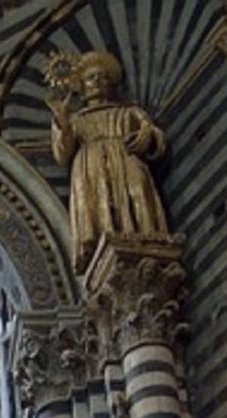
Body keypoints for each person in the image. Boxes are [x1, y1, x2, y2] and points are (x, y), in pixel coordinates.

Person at [47, 50, 170, 263]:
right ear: (82, 86)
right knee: (98, 200)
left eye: (103, 76)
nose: (98, 81)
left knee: (137, 190)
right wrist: (61, 119)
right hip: (90, 165)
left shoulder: (128, 111)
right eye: (91, 78)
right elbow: (62, 153)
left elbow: (150, 132)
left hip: (125, 155)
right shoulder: (76, 120)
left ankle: (145, 233)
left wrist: (146, 134)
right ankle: (97, 243)